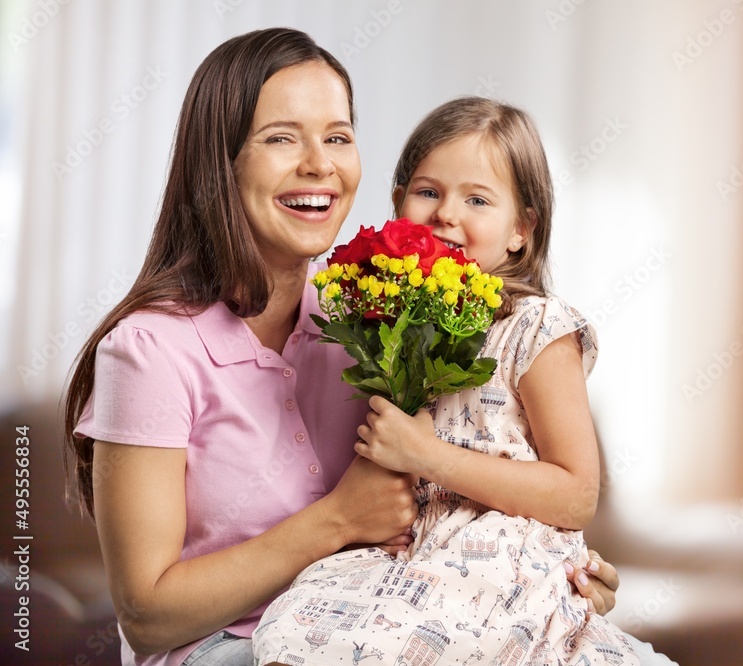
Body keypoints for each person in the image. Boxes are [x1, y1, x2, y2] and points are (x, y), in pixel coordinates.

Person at [62, 29, 640, 666]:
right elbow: (147, 616)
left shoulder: (380, 323)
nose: (320, 164)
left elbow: (477, 489)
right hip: (230, 647)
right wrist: (337, 519)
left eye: (337, 136)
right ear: (219, 162)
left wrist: (542, 583)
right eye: (281, 137)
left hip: (390, 623)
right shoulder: (147, 351)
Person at [253, 97, 677, 665]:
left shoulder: (538, 328)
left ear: (521, 230)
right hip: (407, 553)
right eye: (428, 192)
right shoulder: (391, 320)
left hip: (498, 560)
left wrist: (430, 456)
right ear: (398, 202)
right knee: (286, 633)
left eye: (477, 199)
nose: (446, 213)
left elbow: (576, 496)